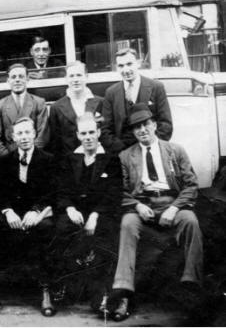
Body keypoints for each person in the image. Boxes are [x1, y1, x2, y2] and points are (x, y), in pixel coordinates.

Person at [108, 104, 203, 322]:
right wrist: (137, 206)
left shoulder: (175, 150)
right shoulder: (125, 156)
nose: (142, 130)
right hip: (141, 203)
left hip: (172, 201)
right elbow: (119, 190)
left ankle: (191, 286)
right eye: (136, 127)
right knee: (127, 225)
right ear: (133, 132)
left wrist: (174, 207)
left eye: (145, 125)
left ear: (154, 125)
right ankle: (123, 292)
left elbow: (191, 185)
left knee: (191, 222)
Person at [0, 117, 57, 317]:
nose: (24, 137)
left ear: (34, 134)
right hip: (13, 214)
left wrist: (36, 211)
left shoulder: (47, 160)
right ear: (13, 137)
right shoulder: (5, 161)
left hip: (37, 214)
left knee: (46, 230)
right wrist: (8, 211)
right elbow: (0, 194)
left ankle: (46, 291)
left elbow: (52, 193)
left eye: (28, 132)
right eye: (19, 133)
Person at [55, 113, 121, 314]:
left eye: (92, 132)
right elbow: (61, 190)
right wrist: (70, 208)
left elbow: (113, 194)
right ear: (78, 135)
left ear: (99, 132)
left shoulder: (110, 159)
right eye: (83, 133)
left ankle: (101, 295)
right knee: (61, 229)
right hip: (75, 211)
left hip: (101, 213)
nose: (88, 137)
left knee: (105, 236)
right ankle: (64, 286)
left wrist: (95, 215)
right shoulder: (69, 158)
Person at [101, 48, 173, 154]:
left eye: (129, 64)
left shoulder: (156, 87)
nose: (126, 70)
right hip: (122, 154)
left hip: (152, 151)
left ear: (138, 63)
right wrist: (121, 151)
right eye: (121, 66)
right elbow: (105, 129)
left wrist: (150, 146)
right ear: (117, 68)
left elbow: (166, 124)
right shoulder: (111, 93)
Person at [48, 62, 103, 165]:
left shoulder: (101, 102)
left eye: (79, 75)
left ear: (86, 77)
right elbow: (55, 142)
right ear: (66, 79)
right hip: (68, 163)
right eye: (71, 76)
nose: (75, 80)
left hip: (97, 161)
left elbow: (105, 134)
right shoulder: (56, 107)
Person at [0, 63, 48, 158]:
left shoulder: (39, 103)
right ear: (8, 81)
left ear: (27, 79)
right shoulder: (0, 105)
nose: (17, 80)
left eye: (21, 76)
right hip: (9, 158)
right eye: (13, 77)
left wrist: (32, 156)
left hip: (34, 157)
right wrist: (6, 158)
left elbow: (42, 135)